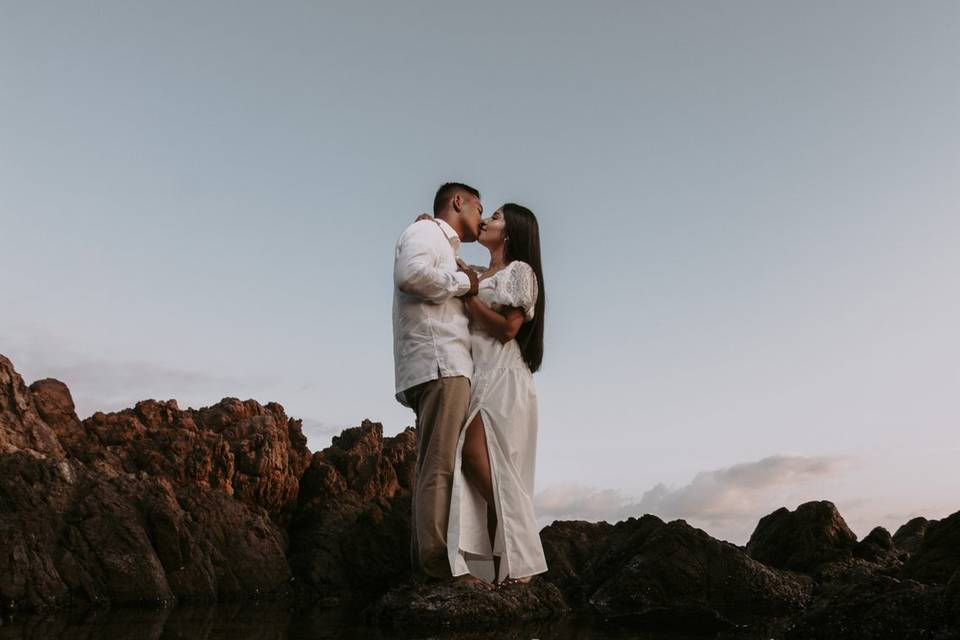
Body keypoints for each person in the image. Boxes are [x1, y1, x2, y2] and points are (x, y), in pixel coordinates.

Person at [392, 182, 490, 587]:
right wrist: (465, 283)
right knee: (440, 466)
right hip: (440, 363)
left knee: (436, 464)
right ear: (458, 202)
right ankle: (436, 568)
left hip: (441, 365)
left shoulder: (447, 250)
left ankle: (429, 563)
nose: (482, 219)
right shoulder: (427, 233)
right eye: (479, 208)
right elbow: (410, 275)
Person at [446, 203, 548, 588]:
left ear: (511, 231)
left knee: (476, 459)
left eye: (498, 216)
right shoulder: (477, 272)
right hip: (479, 376)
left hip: (504, 376)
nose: (487, 219)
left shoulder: (519, 272)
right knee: (487, 473)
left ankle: (523, 557)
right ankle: (501, 568)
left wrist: (471, 299)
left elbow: (508, 330)